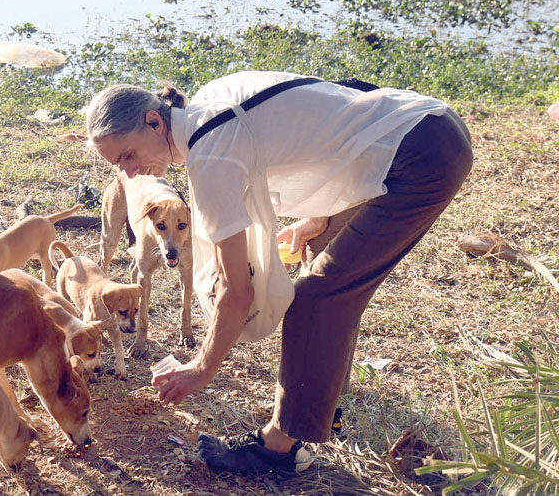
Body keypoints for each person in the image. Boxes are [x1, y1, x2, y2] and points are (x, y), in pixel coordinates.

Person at [84, 71, 472, 475]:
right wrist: (318, 217)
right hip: (421, 122)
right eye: (119, 164)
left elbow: (238, 292)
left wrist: (201, 367)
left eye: (128, 155)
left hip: (421, 157)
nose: (130, 172)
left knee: (316, 298)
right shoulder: (208, 102)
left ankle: (278, 449)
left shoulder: (210, 155)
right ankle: (325, 406)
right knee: (322, 255)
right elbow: (318, 120)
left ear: (154, 121)